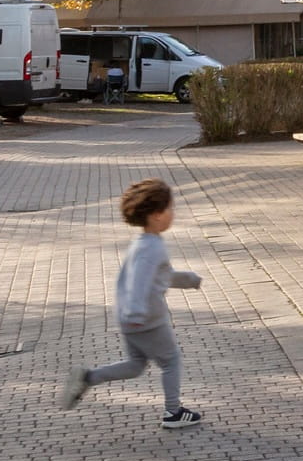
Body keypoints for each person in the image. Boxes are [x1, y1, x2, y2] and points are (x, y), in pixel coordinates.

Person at [60, 179, 204, 427]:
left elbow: (158, 276)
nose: (173, 213)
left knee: (136, 365)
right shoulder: (153, 248)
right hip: (147, 320)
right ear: (157, 215)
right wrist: (137, 312)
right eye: (170, 208)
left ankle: (89, 377)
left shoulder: (142, 244)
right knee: (171, 361)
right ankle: (173, 412)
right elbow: (139, 281)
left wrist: (188, 279)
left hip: (130, 320)